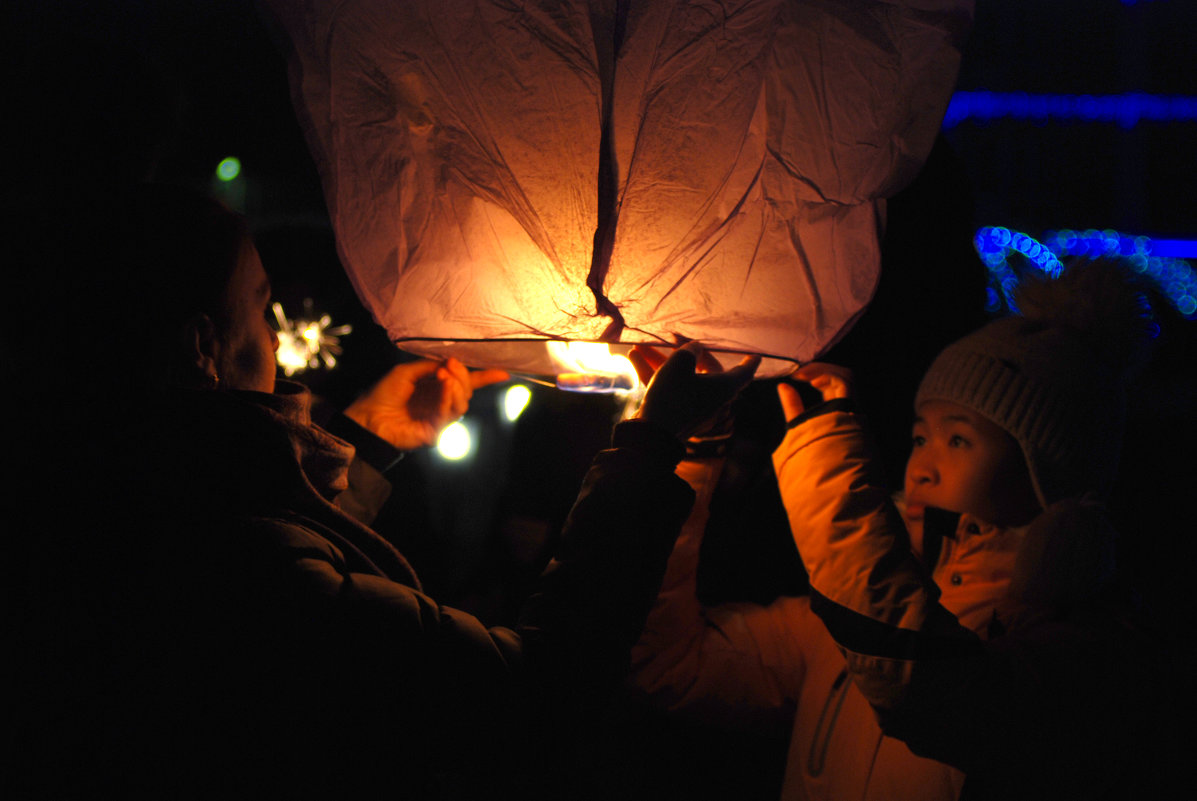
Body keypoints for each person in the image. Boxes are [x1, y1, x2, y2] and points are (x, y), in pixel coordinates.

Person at [10, 184, 760, 799]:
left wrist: (367, 439)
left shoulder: (114, 517)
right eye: (261, 307)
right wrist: (648, 449)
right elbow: (532, 694)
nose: (275, 339)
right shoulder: (237, 570)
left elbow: (294, 547)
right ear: (203, 348)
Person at [627, 258, 1176, 800]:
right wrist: (687, 454)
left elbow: (928, 694)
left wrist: (824, 456)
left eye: (958, 440)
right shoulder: (836, 623)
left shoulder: (1083, 652)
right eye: (920, 437)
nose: (923, 465)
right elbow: (669, 662)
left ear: (1045, 473)